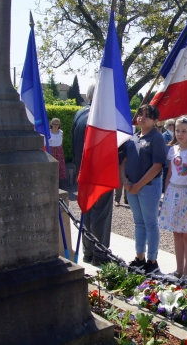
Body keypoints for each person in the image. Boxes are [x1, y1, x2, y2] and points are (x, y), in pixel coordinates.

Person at [120, 104, 167, 274]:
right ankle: (139, 258)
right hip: (131, 185)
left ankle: (152, 261)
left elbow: (157, 166)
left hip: (148, 187)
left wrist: (138, 185)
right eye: (140, 114)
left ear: (155, 121)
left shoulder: (157, 138)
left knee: (150, 224)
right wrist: (124, 180)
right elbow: (124, 160)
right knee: (138, 223)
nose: (141, 118)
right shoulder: (133, 137)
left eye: (147, 116)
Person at [71, 84, 113, 266]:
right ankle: (100, 255)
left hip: (83, 170)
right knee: (100, 216)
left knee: (87, 212)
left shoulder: (79, 114)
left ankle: (88, 252)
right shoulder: (103, 117)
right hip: (100, 173)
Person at [159, 116, 187, 279]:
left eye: (184, 131)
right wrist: (165, 196)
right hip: (173, 193)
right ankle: (178, 270)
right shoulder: (173, 149)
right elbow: (170, 174)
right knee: (176, 233)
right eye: (177, 130)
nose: (180, 133)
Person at [49, 117, 67, 187]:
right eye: (54, 124)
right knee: (51, 166)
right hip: (51, 150)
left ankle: (60, 184)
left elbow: (61, 143)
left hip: (59, 150)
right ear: (51, 124)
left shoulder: (61, 132)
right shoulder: (48, 132)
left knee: (60, 166)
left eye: (57, 124)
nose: (56, 126)